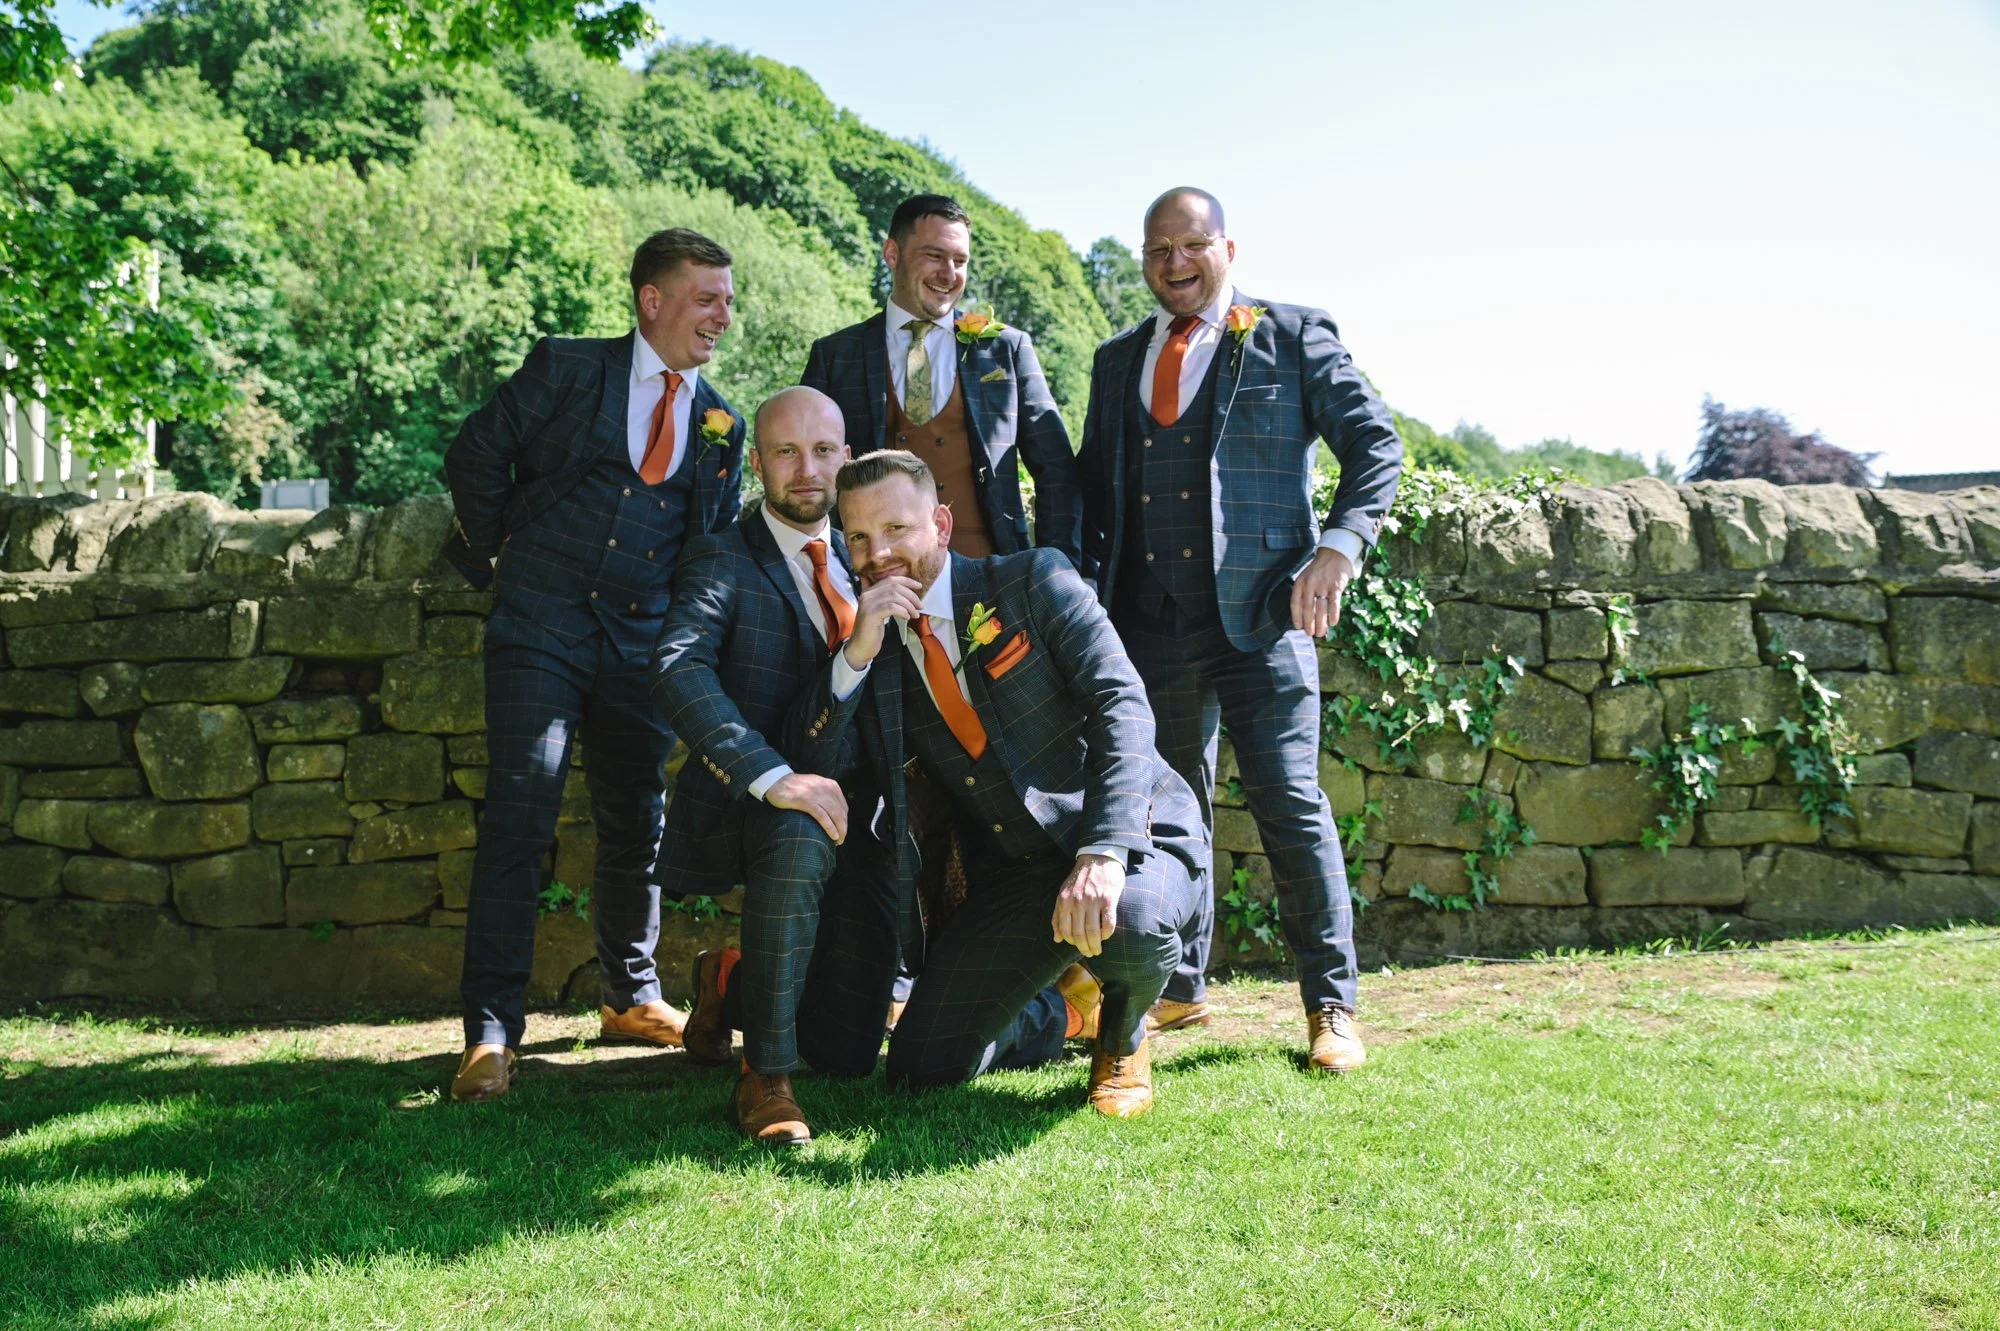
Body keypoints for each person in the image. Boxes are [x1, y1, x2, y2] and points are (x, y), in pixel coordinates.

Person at [767, 449, 1207, 1117]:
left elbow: (1121, 704)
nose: (877, 553)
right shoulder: (873, 653)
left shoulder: (1034, 580)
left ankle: (1123, 1035)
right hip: (1021, 873)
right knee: (922, 1064)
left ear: (941, 525)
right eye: (857, 537)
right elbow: (814, 755)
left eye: (896, 529)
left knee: (1134, 924)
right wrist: (855, 652)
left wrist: (1102, 852)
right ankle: (1068, 1013)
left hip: (1129, 835)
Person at [1075, 188, 1402, 1074]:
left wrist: (1338, 549)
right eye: (1157, 250)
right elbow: (1094, 492)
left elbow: (1375, 444)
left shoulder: (1292, 335)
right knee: (1168, 814)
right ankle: (1179, 986)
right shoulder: (1115, 360)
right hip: (1148, 624)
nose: (1174, 263)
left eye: (1191, 245)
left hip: (1266, 617)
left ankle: (1331, 1005)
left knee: (1291, 806)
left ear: (1228, 248)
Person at [441, 228, 747, 1102]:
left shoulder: (722, 424)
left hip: (642, 643)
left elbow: (707, 550)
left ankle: (629, 997)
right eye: (706, 298)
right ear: (652, 300)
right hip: (540, 622)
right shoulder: (568, 367)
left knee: (637, 818)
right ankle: (490, 1034)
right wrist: (506, 556)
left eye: (728, 301)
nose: (722, 316)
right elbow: (475, 452)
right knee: (521, 810)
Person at [650, 386, 858, 1146]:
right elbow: (678, 666)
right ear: (758, 464)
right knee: (800, 833)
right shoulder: (722, 557)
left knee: (851, 1042)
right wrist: (773, 776)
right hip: (753, 803)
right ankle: (766, 1076)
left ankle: (726, 978)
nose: (807, 470)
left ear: (847, 458)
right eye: (785, 452)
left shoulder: (870, 551)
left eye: (823, 451)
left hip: (865, 804)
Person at [801, 193, 1081, 563]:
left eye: (960, 261)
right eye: (934, 256)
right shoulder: (836, 355)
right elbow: (808, 472)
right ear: (892, 254)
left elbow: (1057, 471)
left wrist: (1056, 567)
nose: (949, 274)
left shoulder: (1006, 349)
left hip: (990, 570)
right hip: (873, 572)